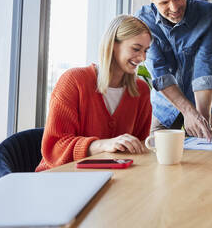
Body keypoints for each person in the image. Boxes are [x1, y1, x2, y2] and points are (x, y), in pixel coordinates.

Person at [36, 15, 153, 171]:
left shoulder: (141, 91)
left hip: (111, 180)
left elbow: (138, 149)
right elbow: (55, 148)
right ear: (112, 45)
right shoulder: (73, 81)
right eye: (136, 49)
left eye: (146, 51)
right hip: (60, 178)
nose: (142, 57)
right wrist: (104, 144)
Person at [136, 0, 212, 140]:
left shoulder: (208, 14)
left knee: (203, 155)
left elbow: (204, 69)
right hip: (165, 105)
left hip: (204, 102)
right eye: (164, 2)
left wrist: (201, 119)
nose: (174, 9)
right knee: (158, 158)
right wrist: (187, 112)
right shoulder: (144, 20)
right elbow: (160, 73)